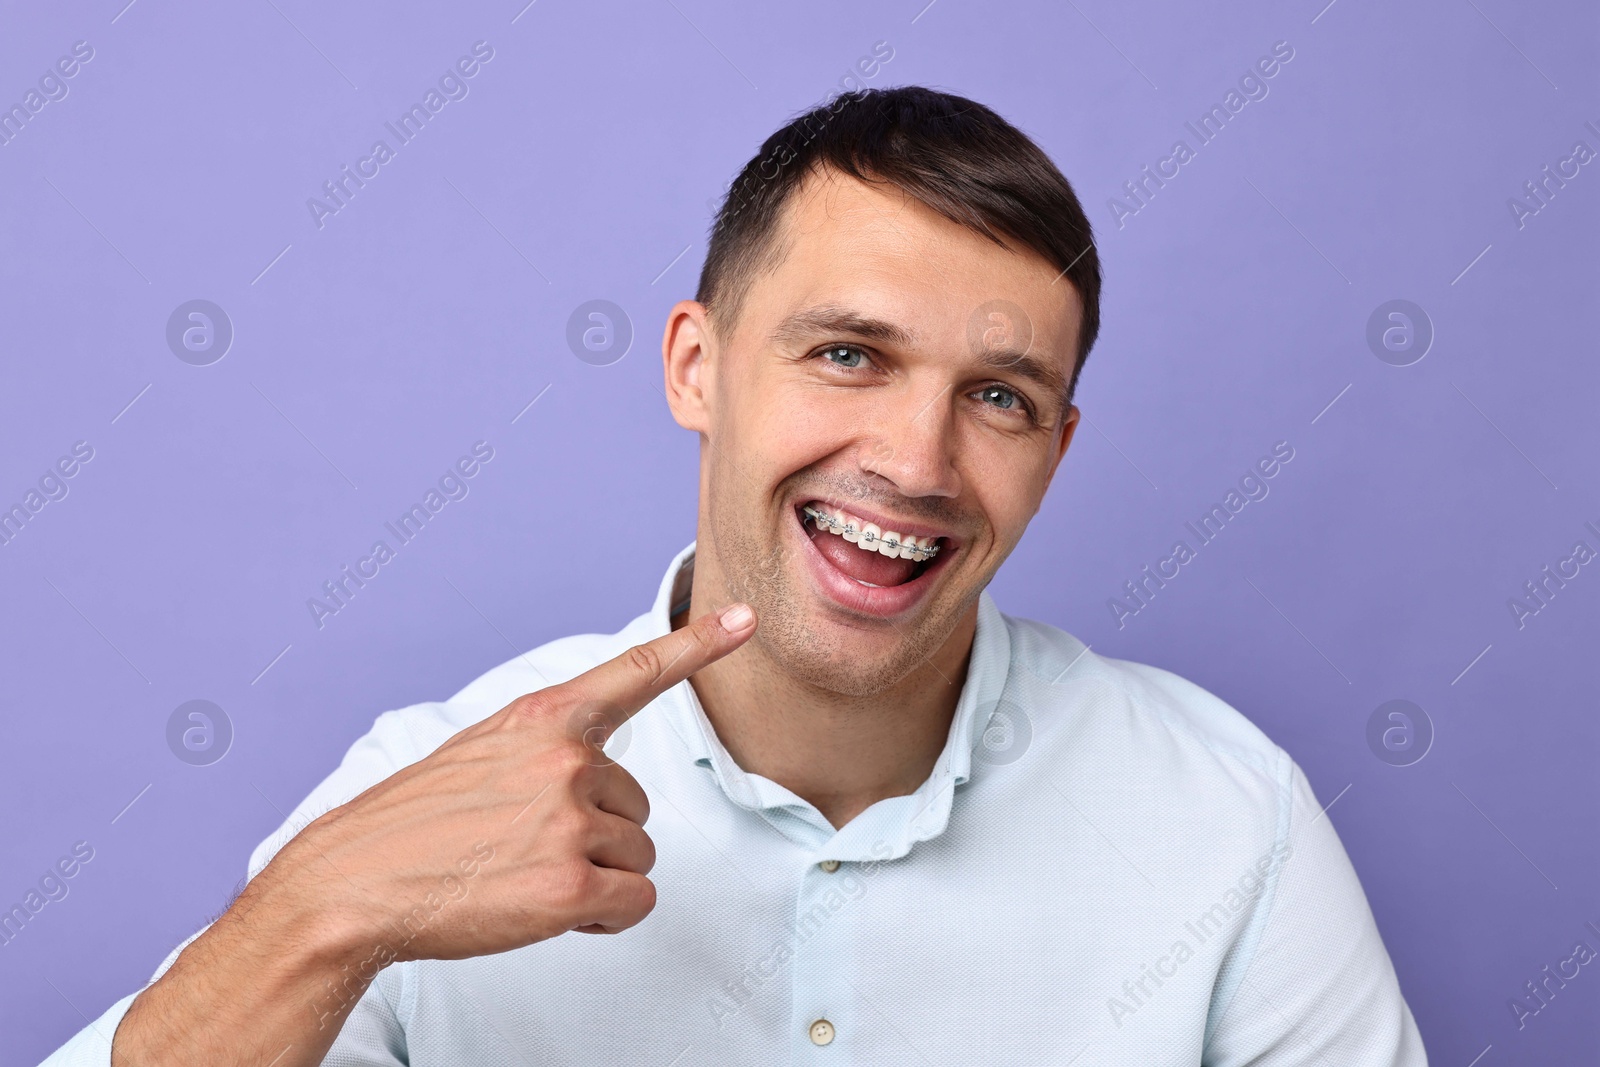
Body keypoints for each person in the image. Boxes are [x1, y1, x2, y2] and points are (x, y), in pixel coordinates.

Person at [44, 85, 1426, 1065]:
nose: (917, 459)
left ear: (1056, 449)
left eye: (999, 398)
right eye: (848, 355)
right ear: (696, 367)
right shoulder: (434, 781)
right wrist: (319, 911)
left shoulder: (1227, 819)